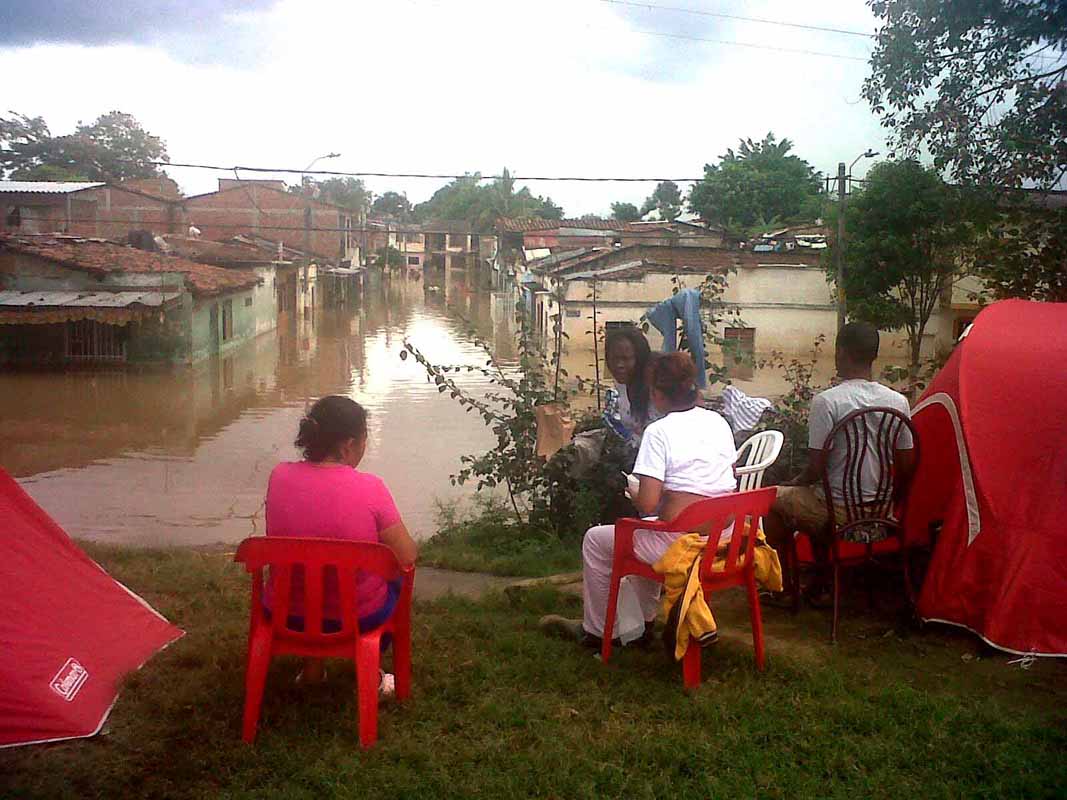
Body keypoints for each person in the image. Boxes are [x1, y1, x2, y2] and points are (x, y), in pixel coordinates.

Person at [540, 351, 738, 647]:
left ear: (656, 395)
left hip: (683, 543)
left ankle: (597, 631)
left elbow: (647, 504)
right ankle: (643, 626)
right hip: (724, 539)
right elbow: (724, 477)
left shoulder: (659, 432)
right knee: (646, 531)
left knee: (597, 540)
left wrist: (635, 491)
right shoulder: (717, 422)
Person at [265, 395, 417, 683]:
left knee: (310, 575)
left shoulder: (279, 476)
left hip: (285, 614)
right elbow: (407, 555)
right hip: (357, 620)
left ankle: (312, 669)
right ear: (348, 445)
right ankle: (371, 669)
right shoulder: (371, 488)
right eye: (364, 441)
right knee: (396, 580)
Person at [762, 322, 915, 606]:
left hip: (838, 514)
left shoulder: (827, 401)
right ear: (874, 356)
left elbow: (815, 469)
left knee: (772, 500)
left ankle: (785, 589)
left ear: (841, 352)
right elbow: (907, 465)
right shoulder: (898, 402)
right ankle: (821, 582)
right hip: (882, 512)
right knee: (816, 496)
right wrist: (892, 502)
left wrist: (793, 482)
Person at [604, 326, 658, 440]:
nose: (619, 365)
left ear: (640, 359)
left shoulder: (657, 388)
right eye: (614, 358)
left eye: (626, 359)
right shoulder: (621, 385)